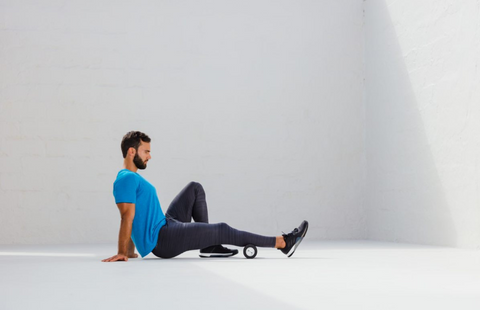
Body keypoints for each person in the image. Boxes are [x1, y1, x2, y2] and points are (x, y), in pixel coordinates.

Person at [102, 131, 308, 262]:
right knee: (222, 229)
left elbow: (134, 216)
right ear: (131, 152)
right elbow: (127, 217)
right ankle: (282, 243)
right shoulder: (126, 179)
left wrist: (129, 251)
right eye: (146, 151)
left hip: (165, 223)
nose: (149, 156)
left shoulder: (130, 179)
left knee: (194, 188)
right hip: (162, 239)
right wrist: (123, 252)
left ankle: (209, 245)